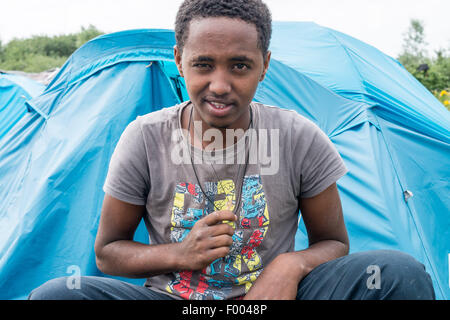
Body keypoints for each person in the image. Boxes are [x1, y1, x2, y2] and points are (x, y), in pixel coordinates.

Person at [29, 0, 435, 300]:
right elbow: (108, 253)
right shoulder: (145, 137)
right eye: (203, 64)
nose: (220, 84)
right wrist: (180, 253)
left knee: (397, 272)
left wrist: (288, 266)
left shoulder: (298, 136)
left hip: (272, 298)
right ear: (179, 61)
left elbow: (334, 243)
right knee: (56, 295)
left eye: (239, 66)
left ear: (265, 65)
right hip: (176, 299)